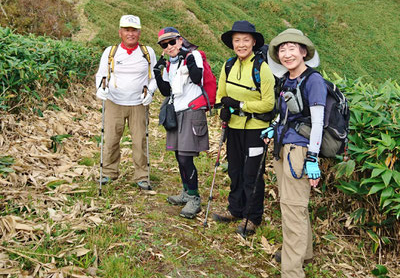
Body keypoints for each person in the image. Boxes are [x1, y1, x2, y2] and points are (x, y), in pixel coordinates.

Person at [263, 28, 325, 278]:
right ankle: (303, 253)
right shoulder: (287, 80)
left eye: (292, 48)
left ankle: (291, 272)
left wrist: (313, 157)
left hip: (298, 152)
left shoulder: (314, 80)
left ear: (303, 52)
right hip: (283, 148)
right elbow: (286, 113)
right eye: (282, 49)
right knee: (294, 207)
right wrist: (273, 127)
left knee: (292, 209)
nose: (287, 54)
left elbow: (318, 122)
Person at [212, 20, 275, 236]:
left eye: (245, 40)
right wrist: (223, 107)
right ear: (232, 43)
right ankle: (236, 208)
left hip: (256, 128)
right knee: (235, 169)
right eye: (237, 40)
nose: (241, 44)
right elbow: (221, 93)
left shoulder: (262, 69)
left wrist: (240, 105)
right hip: (234, 126)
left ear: (253, 42)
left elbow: (269, 103)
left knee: (252, 174)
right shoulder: (228, 65)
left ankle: (252, 216)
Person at [152, 27, 210, 218]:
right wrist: (157, 71)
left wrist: (187, 55)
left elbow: (196, 77)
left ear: (180, 40)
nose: (168, 47)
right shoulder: (171, 64)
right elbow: (167, 91)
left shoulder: (193, 56)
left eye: (171, 42)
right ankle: (186, 192)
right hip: (176, 112)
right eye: (164, 44)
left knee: (186, 158)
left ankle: (194, 198)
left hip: (192, 112)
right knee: (179, 156)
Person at [94, 15, 157, 190]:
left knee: (140, 140)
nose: (131, 34)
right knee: (111, 138)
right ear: (120, 32)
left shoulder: (148, 52)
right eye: (127, 30)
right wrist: (100, 88)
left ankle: (142, 175)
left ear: (139, 32)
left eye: (134, 30)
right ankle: (108, 172)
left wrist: (151, 91)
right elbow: (101, 74)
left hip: (139, 103)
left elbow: (154, 77)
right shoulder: (110, 51)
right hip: (114, 101)